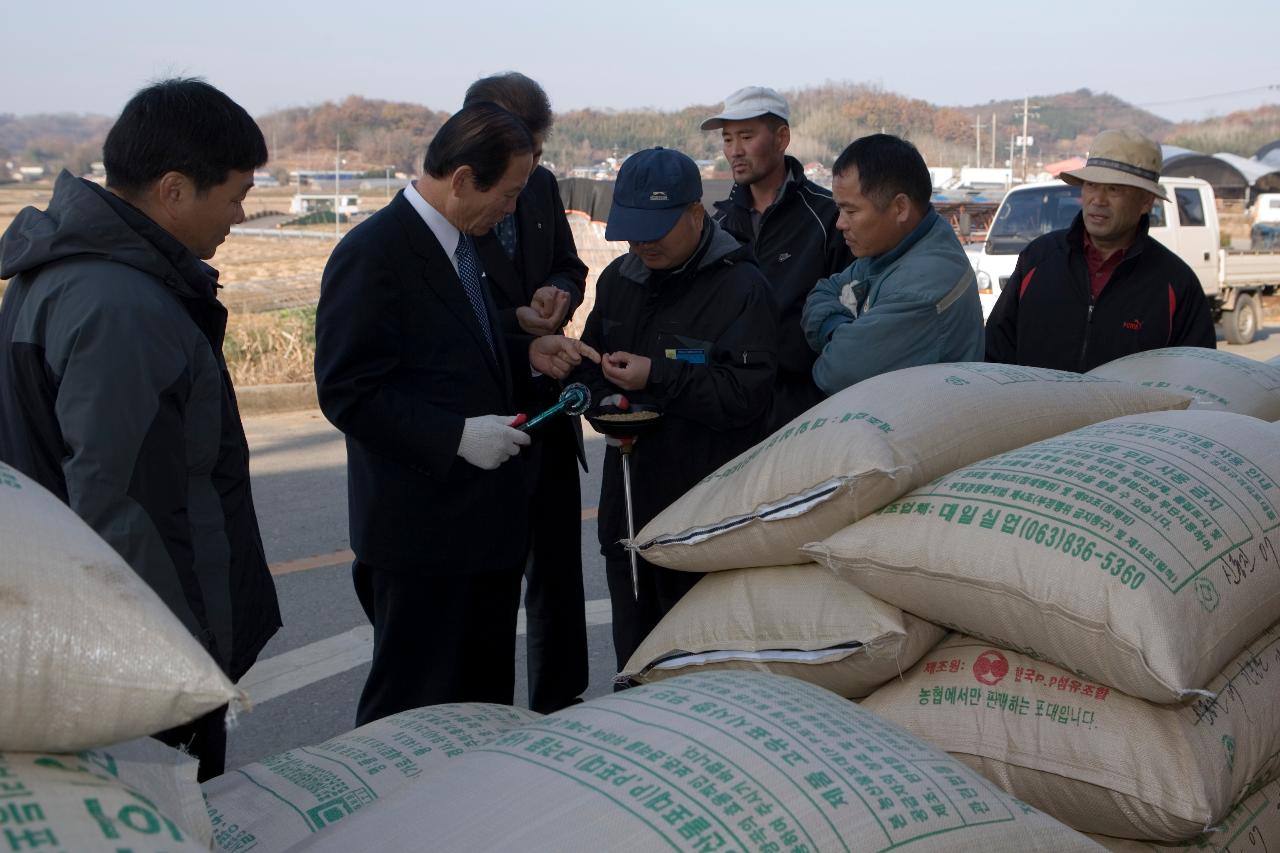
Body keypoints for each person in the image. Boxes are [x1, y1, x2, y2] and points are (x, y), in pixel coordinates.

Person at [0, 78, 281, 780]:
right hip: (136, 656)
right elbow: (120, 506)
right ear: (175, 190)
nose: (241, 215)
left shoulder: (60, 273)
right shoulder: (124, 306)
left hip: (74, 630)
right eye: (237, 194)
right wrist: (174, 668)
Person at [314, 103, 596, 726]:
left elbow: (449, 345)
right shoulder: (376, 254)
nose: (512, 209)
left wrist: (526, 351)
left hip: (482, 535)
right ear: (464, 179)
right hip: (424, 540)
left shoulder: (457, 245)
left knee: (475, 715)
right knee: (412, 715)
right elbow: (347, 389)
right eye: (510, 193)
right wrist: (454, 437)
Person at [572, 147, 777, 673]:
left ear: (693, 214)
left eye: (655, 230)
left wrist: (657, 376)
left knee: (702, 662)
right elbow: (591, 366)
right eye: (632, 231)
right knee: (636, 656)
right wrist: (604, 402)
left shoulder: (742, 287)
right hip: (629, 507)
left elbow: (744, 397)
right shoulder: (618, 280)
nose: (642, 243)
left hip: (707, 513)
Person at [464, 72, 590, 714]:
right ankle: (485, 723)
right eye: (521, 155)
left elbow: (570, 262)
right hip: (486, 418)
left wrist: (558, 292)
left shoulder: (538, 187)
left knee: (558, 582)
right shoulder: (451, 204)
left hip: (551, 408)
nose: (531, 171)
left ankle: (559, 710)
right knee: (487, 589)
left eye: (538, 154)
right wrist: (513, 320)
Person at [986, 129, 1216, 371]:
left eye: (1114, 189)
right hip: (1034, 409)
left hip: (1135, 411)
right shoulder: (1038, 258)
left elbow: (1197, 377)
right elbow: (994, 351)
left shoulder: (1175, 282)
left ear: (1146, 201)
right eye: (1092, 185)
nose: (1099, 199)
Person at [701, 86, 850, 426]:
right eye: (727, 139)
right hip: (734, 409)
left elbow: (852, 311)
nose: (735, 151)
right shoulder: (717, 225)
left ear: (782, 138)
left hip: (809, 408)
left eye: (746, 136)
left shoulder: (829, 217)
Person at [801, 134, 984, 393]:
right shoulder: (893, 250)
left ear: (900, 208)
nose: (840, 223)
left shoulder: (926, 284)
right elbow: (822, 292)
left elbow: (835, 370)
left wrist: (832, 335)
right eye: (839, 210)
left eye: (851, 211)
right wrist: (844, 332)